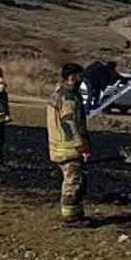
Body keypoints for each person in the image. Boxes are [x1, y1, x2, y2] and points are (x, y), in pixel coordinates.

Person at [47, 63, 91, 227]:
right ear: (72, 78)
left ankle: (76, 213)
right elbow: (70, 124)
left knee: (76, 181)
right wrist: (83, 148)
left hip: (59, 147)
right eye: (80, 77)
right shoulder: (68, 99)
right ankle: (70, 218)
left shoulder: (58, 94)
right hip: (69, 149)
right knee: (72, 183)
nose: (82, 80)